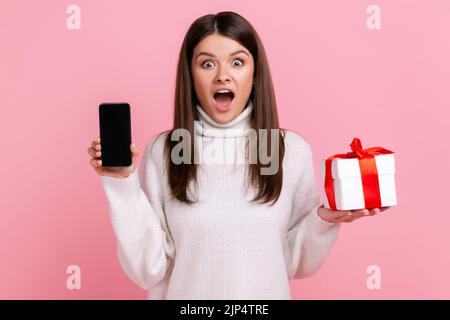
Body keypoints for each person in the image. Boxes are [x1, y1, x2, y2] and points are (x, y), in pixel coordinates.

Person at [87, 11, 389, 300]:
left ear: (255, 73)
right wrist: (122, 185)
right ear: (190, 76)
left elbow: (293, 263)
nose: (223, 76)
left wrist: (324, 219)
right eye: (207, 64)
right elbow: (148, 270)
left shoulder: (290, 151)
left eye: (237, 62)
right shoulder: (164, 152)